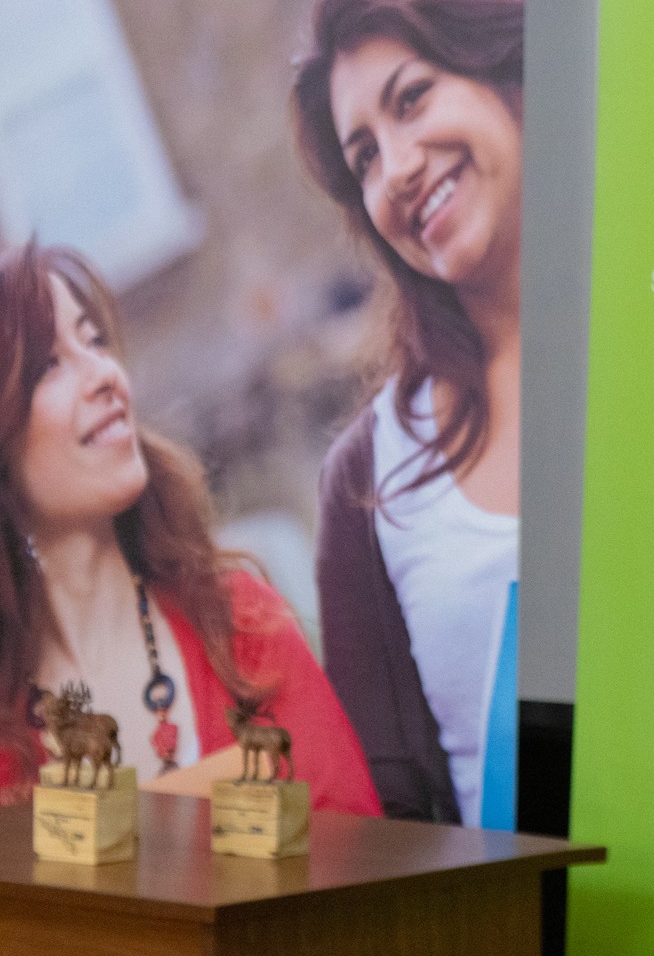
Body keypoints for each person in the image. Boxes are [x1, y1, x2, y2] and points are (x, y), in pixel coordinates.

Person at [0, 242, 380, 814]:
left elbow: (353, 848)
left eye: (96, 341)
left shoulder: (240, 624)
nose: (106, 374)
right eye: (49, 365)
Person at [291, 0, 523, 825]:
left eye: (413, 98)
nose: (397, 170)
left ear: (506, 66)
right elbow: (391, 824)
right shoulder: (368, 484)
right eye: (364, 157)